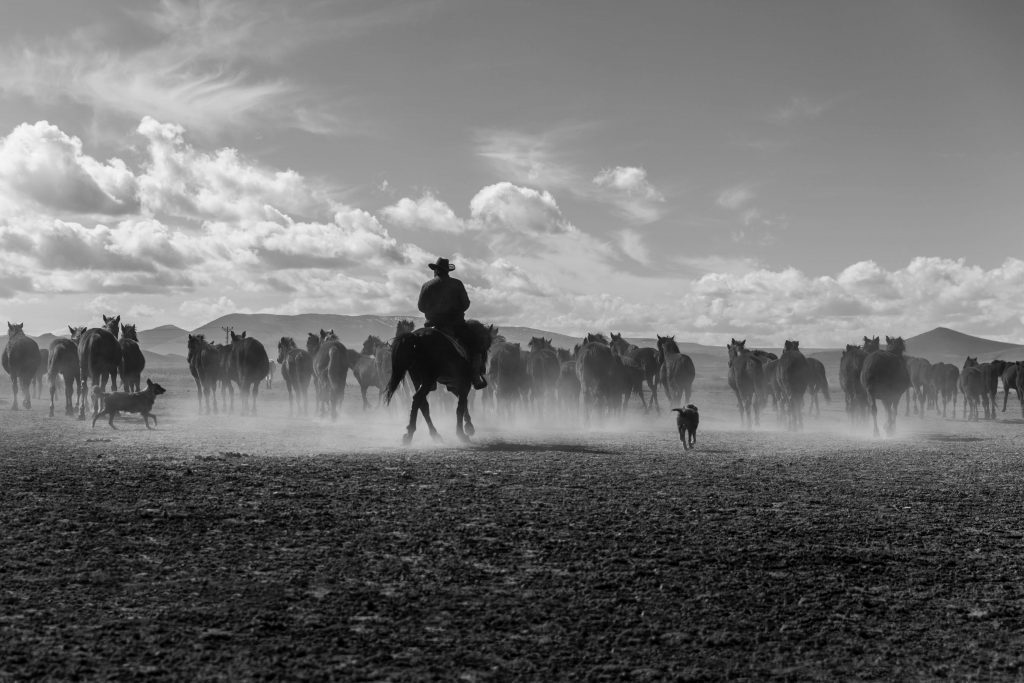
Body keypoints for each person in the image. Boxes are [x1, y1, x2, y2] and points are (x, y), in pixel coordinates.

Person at [418, 257, 487, 390]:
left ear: (436, 271)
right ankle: (475, 377)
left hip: (432, 325)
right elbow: (466, 304)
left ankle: (425, 379)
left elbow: (421, 307)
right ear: (447, 271)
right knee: (476, 343)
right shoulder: (457, 284)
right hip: (454, 325)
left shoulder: (427, 285)